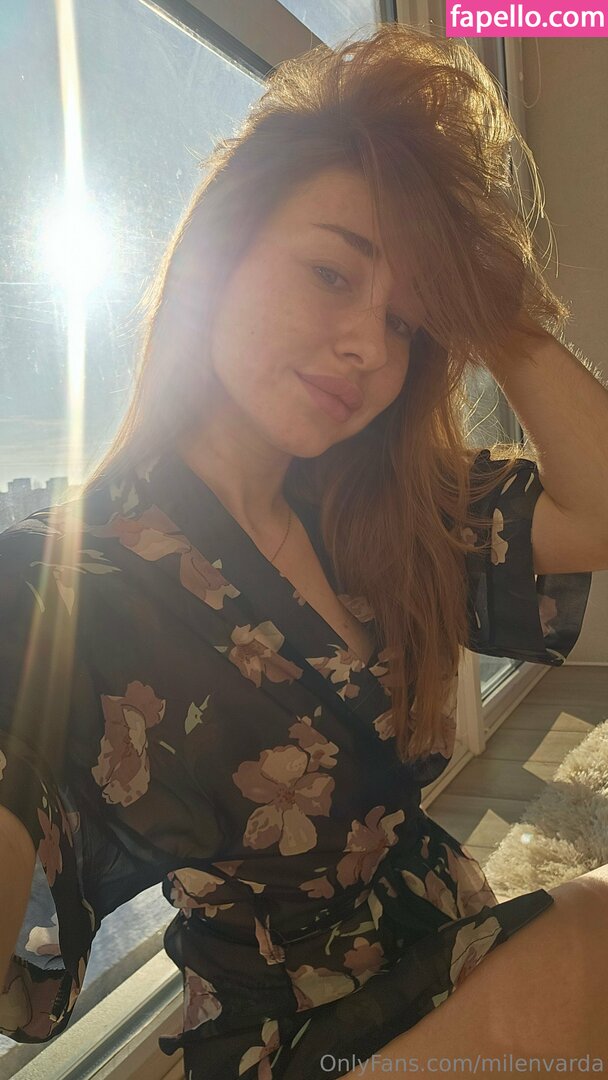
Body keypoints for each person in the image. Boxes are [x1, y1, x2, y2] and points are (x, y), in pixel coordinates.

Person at [0, 21, 604, 1080]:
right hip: (296, 1038)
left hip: (444, 941)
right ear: (215, 257)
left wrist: (496, 315)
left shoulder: (378, 508)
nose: (368, 345)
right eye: (331, 273)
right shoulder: (64, 585)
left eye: (406, 321)